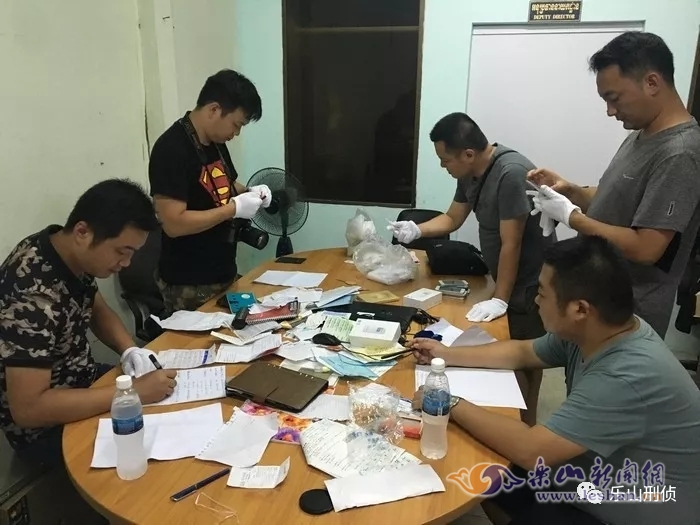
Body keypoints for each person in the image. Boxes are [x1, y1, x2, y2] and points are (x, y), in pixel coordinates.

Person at [410, 236, 700, 525]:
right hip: (593, 478)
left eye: (542, 293)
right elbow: (522, 352)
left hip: (637, 508)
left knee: (486, 467)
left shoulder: (626, 375)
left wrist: (447, 401)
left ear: (580, 309)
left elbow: (531, 450)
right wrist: (446, 354)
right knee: (485, 466)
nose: (536, 301)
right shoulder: (599, 330)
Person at [528, 31, 700, 338]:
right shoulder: (641, 135)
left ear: (652, 83)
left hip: (629, 314)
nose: (610, 111)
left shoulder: (680, 153)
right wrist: (571, 191)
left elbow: (646, 248)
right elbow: (617, 200)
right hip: (594, 299)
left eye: (614, 98)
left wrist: (571, 217)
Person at [388, 112, 553, 425]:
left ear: (468, 154)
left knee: (526, 361)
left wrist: (501, 298)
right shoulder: (470, 172)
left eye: (445, 160)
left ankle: (526, 425)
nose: (443, 166)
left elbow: (512, 244)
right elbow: (453, 218)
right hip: (505, 276)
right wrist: (417, 229)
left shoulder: (510, 173)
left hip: (530, 282)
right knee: (505, 354)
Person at [0, 179, 177, 467]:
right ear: (82, 232)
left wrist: (130, 349)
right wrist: (132, 393)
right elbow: (28, 409)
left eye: (132, 253)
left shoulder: (63, 250)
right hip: (47, 428)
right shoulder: (32, 295)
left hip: (84, 381)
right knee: (153, 455)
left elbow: (95, 307)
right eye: (122, 251)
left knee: (172, 403)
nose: (126, 263)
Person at [149, 69, 271, 314]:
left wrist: (251, 192)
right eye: (236, 124)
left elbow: (224, 184)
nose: (236, 133)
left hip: (224, 272)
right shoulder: (172, 149)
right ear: (214, 109)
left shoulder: (215, 142)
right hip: (188, 283)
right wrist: (233, 209)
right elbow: (173, 224)